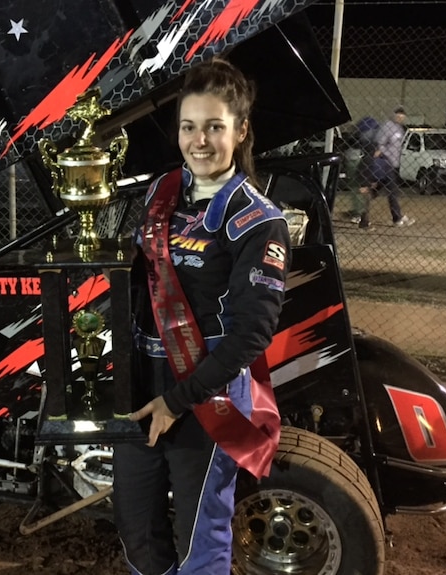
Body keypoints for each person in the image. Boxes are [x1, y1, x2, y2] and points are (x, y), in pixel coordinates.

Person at [113, 58, 289, 575]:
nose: (201, 141)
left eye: (215, 126)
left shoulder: (258, 220)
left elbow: (251, 335)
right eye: (190, 127)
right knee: (136, 529)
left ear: (240, 130)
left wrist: (176, 400)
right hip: (142, 384)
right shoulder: (162, 192)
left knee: (198, 542)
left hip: (203, 393)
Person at [373, 106, 415, 226]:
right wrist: (383, 156)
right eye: (398, 115)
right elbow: (380, 144)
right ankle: (397, 218)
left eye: (402, 116)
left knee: (374, 190)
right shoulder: (387, 126)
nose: (400, 118)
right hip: (386, 162)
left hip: (393, 164)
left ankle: (360, 211)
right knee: (392, 191)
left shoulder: (399, 128)